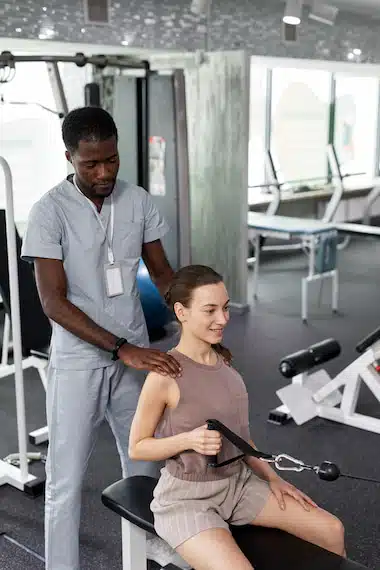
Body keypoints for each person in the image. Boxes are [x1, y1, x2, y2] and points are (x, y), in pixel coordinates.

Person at [20, 106, 189, 570]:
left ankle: (147, 557)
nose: (103, 172)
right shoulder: (48, 212)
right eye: (91, 163)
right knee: (65, 480)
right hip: (79, 362)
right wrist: (121, 348)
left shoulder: (136, 201)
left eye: (111, 160)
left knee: (143, 464)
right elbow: (53, 302)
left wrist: (199, 312)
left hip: (134, 359)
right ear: (69, 157)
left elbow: (161, 272)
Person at [128, 264, 347, 570]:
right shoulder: (165, 375)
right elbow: (137, 447)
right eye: (210, 310)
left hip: (238, 485)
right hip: (186, 499)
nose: (223, 319)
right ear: (182, 311)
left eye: (226, 308)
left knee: (331, 531)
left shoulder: (225, 363)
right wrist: (188, 440)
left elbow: (241, 439)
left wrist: (273, 478)